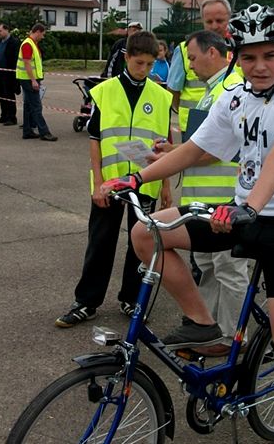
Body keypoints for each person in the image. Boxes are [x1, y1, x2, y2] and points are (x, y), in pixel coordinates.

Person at [102, 5, 274, 443]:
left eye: (269, 56)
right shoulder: (235, 97)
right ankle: (204, 324)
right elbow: (196, 148)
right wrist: (137, 177)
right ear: (236, 57)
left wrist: (252, 207)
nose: (259, 66)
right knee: (146, 232)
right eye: (249, 57)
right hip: (239, 212)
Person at [56, 30, 172, 327]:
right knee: (100, 242)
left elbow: (166, 144)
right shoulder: (105, 91)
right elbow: (94, 139)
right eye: (138, 63)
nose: (144, 70)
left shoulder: (161, 96)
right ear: (126, 58)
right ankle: (86, 301)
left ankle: (131, 299)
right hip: (110, 183)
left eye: (149, 64)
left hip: (145, 183)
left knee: (140, 243)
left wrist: (167, 187)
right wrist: (97, 183)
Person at [155, 29, 247, 356]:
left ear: (212, 53)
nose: (190, 66)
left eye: (193, 58)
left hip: (223, 197)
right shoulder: (212, 89)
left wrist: (176, 156)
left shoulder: (232, 87)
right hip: (202, 195)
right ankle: (208, 331)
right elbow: (199, 143)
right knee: (208, 266)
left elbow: (224, 147)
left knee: (229, 269)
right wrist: (174, 150)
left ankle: (234, 338)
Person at [168, 0, 231, 141]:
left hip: (229, 126)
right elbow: (173, 91)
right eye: (209, 21)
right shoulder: (184, 50)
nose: (214, 26)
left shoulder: (240, 49)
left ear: (229, 19)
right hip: (193, 127)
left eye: (220, 21)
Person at [16, 23, 57, 141]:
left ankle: (27, 131)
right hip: (29, 79)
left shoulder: (31, 44)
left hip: (27, 78)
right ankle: (44, 132)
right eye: (43, 34)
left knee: (28, 105)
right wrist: (34, 80)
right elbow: (27, 63)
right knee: (36, 106)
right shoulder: (28, 44)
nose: (43, 37)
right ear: (37, 32)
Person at [0, 23, 21, 126]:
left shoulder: (14, 42)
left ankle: (12, 117)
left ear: (6, 30)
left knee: (9, 95)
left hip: (8, 74)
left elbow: (15, 58)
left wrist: (13, 72)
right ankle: (3, 115)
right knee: (1, 95)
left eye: (0, 31)